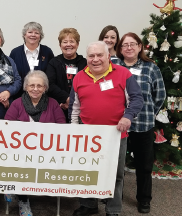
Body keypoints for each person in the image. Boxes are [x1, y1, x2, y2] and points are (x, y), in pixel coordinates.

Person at [69, 41, 143, 216]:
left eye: (99, 55)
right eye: (91, 56)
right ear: (86, 58)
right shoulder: (79, 77)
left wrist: (128, 116)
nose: (95, 59)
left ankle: (113, 209)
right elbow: (74, 107)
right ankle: (88, 205)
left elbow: (137, 98)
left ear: (108, 56)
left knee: (115, 174)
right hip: (88, 135)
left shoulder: (123, 74)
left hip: (115, 134)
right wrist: (74, 130)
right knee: (87, 171)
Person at [112, 32, 166, 214]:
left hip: (143, 125)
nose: (128, 47)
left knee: (144, 165)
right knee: (115, 165)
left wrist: (148, 113)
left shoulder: (151, 68)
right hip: (117, 125)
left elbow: (160, 96)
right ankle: (112, 199)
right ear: (120, 49)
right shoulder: (113, 65)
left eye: (132, 44)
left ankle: (144, 199)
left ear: (140, 46)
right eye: (124, 45)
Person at [5, 70, 65, 216]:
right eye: (32, 85)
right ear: (26, 87)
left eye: (39, 85)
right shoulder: (17, 104)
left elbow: (62, 127)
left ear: (45, 88)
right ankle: (23, 201)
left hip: (47, 152)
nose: (35, 89)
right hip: (21, 152)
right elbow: (6, 127)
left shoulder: (53, 104)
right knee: (21, 166)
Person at [46, 28, 86, 122]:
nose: (68, 44)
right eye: (65, 42)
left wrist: (73, 102)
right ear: (60, 45)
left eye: (72, 41)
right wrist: (66, 99)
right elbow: (50, 84)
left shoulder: (85, 63)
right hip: (59, 107)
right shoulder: (53, 62)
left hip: (81, 108)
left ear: (77, 44)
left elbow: (88, 84)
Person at [9, 22, 54, 98]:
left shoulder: (47, 52)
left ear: (40, 36)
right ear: (24, 35)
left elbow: (51, 75)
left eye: (36, 33)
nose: (33, 35)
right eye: (30, 32)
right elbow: (11, 76)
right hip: (19, 97)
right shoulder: (15, 53)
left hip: (43, 97)